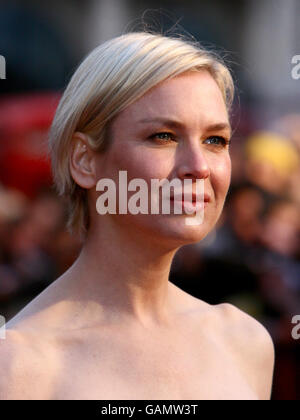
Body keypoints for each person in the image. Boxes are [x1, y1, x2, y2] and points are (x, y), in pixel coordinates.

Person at [0, 31, 274, 400]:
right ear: (84, 160)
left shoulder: (245, 342)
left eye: (215, 141)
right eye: (163, 136)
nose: (199, 167)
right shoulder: (18, 364)